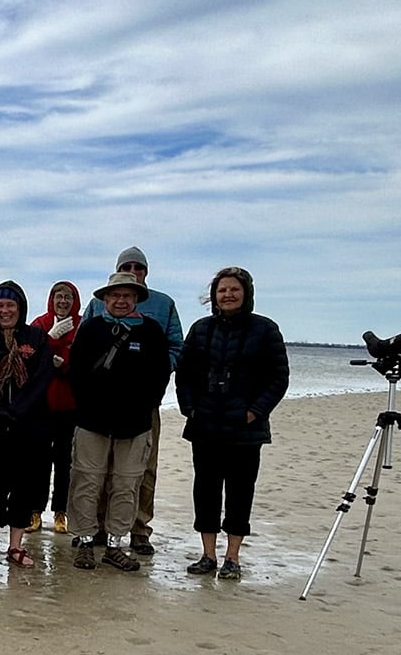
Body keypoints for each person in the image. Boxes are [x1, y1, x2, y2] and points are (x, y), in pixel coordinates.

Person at [175, 266, 289, 582]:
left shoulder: (265, 329)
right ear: (214, 296)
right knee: (206, 490)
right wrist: (190, 409)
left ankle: (233, 557)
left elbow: (278, 378)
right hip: (205, 424)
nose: (228, 295)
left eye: (234, 289)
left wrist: (255, 412)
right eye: (222, 290)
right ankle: (208, 555)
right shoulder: (201, 329)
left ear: (245, 293)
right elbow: (184, 374)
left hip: (245, 429)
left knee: (240, 492)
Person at [65, 271, 172, 573]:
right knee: (86, 480)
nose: (121, 300)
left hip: (135, 424)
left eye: (127, 295)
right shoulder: (90, 329)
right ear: (105, 299)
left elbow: (160, 375)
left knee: (127, 484)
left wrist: (145, 406)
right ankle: (86, 541)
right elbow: (76, 372)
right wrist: (86, 405)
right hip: (92, 421)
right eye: (115, 295)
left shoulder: (151, 331)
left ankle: (115, 544)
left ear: (136, 298)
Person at [82, 245, 185, 555]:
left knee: (143, 470)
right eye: (126, 266)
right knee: (98, 469)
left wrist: (149, 382)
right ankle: (99, 527)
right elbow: (82, 351)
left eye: (137, 267)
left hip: (143, 406)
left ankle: (140, 529)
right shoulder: (96, 304)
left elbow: (176, 348)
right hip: (99, 408)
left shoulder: (164, 304)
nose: (132, 271)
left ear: (146, 273)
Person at [0, 281, 52, 569]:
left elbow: (42, 376)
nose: (5, 310)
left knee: (25, 484)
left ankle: (16, 545)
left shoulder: (36, 337)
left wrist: (19, 409)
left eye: (10, 305)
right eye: (0, 305)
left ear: (20, 308)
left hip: (30, 422)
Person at [29, 280, 82, 535]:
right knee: (38, 460)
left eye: (68, 297)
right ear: (51, 299)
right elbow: (29, 357)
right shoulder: (39, 324)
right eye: (58, 297)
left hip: (70, 404)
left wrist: (64, 365)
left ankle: (61, 511)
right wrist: (50, 339)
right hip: (42, 403)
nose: (63, 302)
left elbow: (86, 362)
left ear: (75, 301)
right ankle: (34, 511)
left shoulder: (82, 325)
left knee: (64, 461)